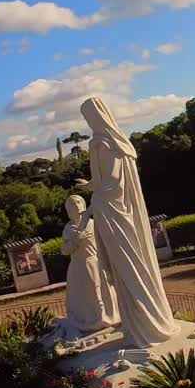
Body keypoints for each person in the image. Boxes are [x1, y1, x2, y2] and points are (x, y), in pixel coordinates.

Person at [79, 96, 180, 347]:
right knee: (131, 269)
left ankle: (144, 327)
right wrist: (92, 186)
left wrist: (92, 201)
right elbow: (112, 181)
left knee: (128, 271)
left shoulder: (103, 143)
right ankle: (138, 325)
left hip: (115, 217)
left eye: (88, 117)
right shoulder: (120, 143)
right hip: (124, 216)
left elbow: (112, 184)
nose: (88, 122)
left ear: (97, 116)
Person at [60, 194, 118, 333]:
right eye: (72, 204)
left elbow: (104, 243)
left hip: (94, 262)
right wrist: (77, 239)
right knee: (83, 295)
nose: (76, 205)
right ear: (68, 210)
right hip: (78, 266)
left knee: (99, 290)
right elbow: (64, 250)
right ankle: (88, 319)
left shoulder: (93, 223)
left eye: (78, 202)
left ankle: (105, 317)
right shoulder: (68, 229)